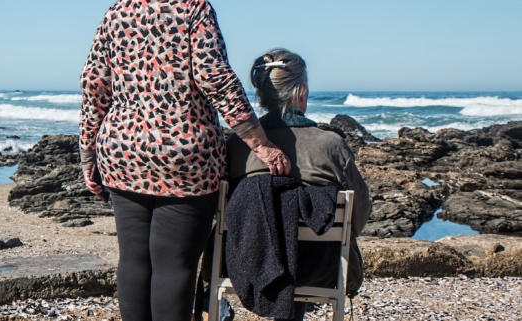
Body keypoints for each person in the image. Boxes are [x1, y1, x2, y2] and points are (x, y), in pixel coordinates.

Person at [78, 1, 291, 320]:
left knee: (133, 260)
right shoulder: (193, 8)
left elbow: (94, 85)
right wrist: (261, 144)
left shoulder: (117, 11)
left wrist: (87, 154)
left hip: (122, 151)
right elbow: (214, 77)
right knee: (174, 264)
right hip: (184, 153)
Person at [225, 48, 372, 321]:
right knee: (308, 244)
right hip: (319, 268)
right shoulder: (331, 144)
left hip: (243, 264)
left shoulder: (236, 146)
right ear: (301, 90)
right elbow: (359, 212)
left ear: (261, 94)